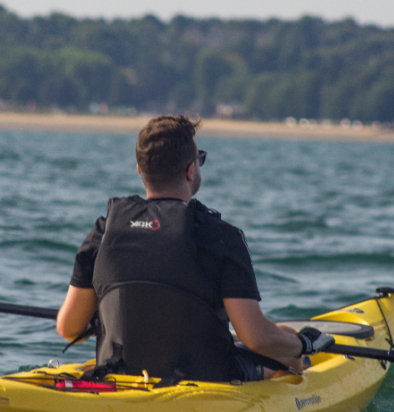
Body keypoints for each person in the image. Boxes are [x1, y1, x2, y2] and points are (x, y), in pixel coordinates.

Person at [56, 115, 333, 382]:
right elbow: (256, 338)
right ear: (191, 170)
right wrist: (303, 343)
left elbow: (68, 328)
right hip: (206, 379)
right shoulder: (221, 237)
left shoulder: (103, 231)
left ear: (140, 170)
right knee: (287, 352)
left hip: (120, 375)